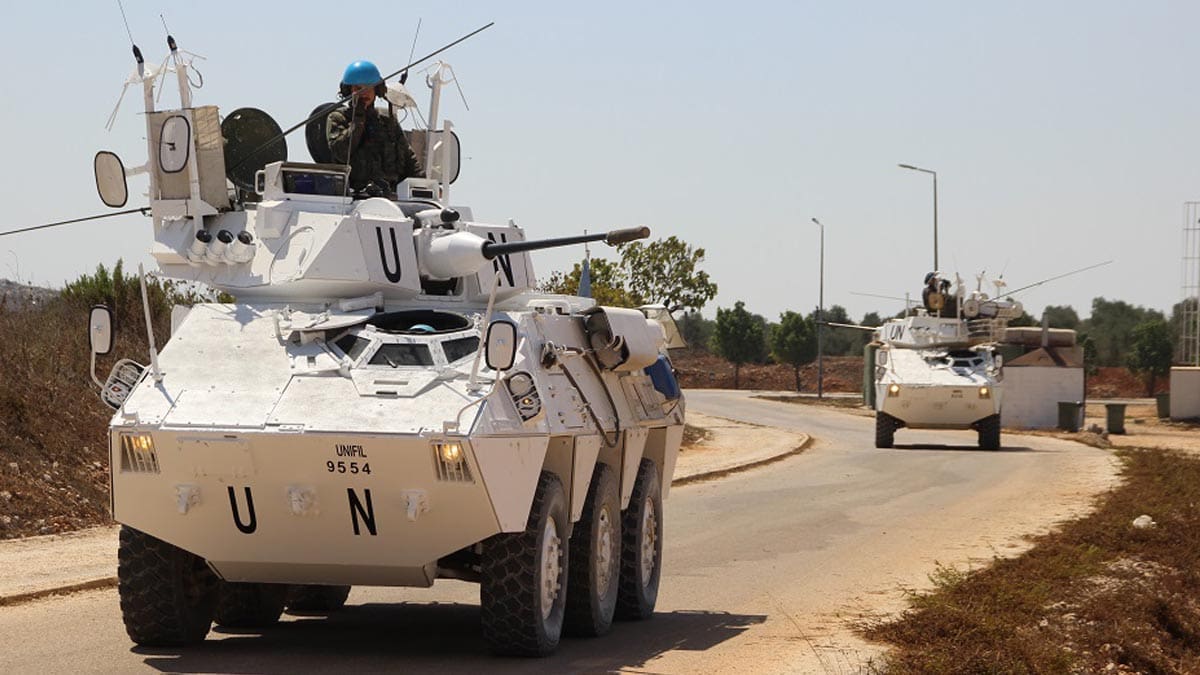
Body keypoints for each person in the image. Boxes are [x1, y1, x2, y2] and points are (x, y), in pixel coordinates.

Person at [326, 60, 422, 198]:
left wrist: (423, 183)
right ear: (348, 90)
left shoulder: (387, 120)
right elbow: (342, 152)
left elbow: (408, 158)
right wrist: (358, 120)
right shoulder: (338, 118)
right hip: (353, 198)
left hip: (391, 197)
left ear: (377, 90)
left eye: (368, 88)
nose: (363, 93)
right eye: (358, 88)